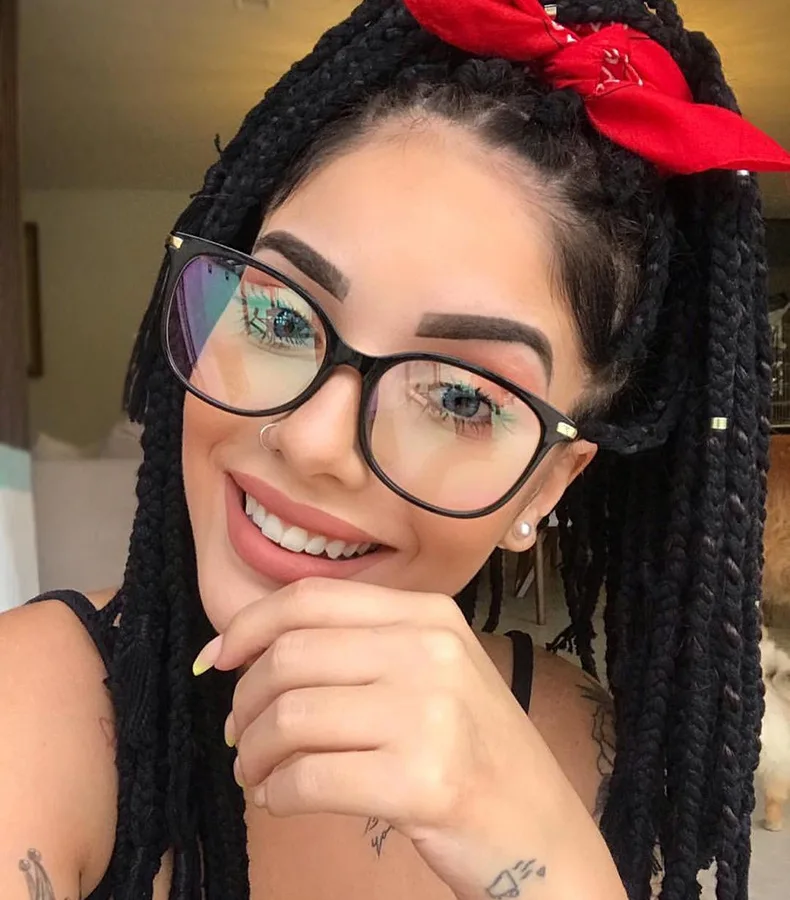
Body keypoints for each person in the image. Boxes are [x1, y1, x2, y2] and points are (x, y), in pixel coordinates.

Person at [3, 1, 790, 899]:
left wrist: (553, 868)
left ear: (547, 482)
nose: (313, 441)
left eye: (459, 396)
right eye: (278, 317)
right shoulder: (31, 706)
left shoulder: (582, 752)